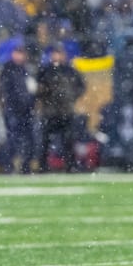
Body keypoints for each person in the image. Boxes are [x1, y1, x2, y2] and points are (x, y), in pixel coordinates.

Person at [36, 43, 86, 172]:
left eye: (59, 53)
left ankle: (70, 166)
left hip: (66, 110)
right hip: (50, 111)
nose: (56, 56)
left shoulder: (70, 70)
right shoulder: (45, 70)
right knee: (45, 141)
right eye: (55, 53)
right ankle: (43, 166)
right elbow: (38, 89)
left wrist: (70, 97)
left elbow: (81, 87)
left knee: (68, 140)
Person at [0, 43, 37, 173]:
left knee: (28, 139)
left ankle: (25, 166)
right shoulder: (8, 69)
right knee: (12, 139)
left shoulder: (27, 70)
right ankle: (8, 165)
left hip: (26, 110)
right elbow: (6, 90)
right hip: (13, 110)